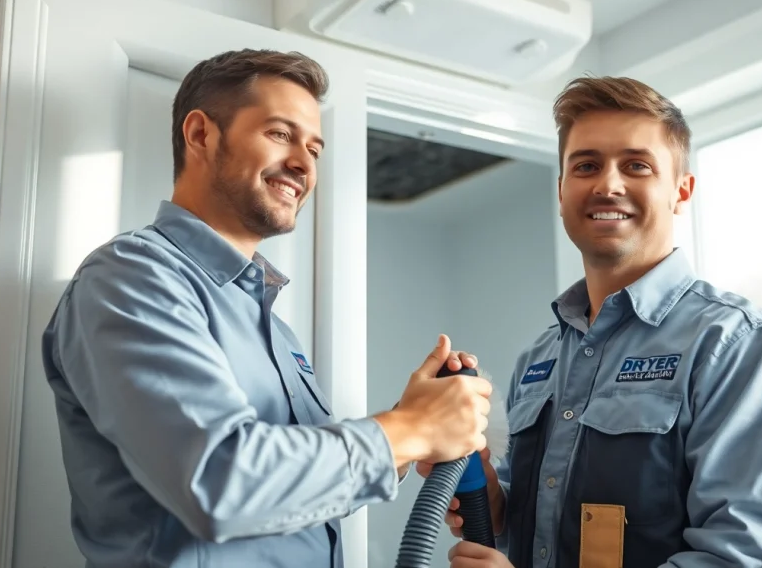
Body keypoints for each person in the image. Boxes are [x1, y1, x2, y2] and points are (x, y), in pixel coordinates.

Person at [40, 48, 493, 568]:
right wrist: (408, 429)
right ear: (201, 134)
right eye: (280, 134)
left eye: (314, 148)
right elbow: (219, 483)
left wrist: (413, 433)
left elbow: (287, 499)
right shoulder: (133, 278)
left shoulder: (272, 327)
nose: (304, 163)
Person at [420, 76, 762, 567]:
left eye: (636, 165)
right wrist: (493, 502)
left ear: (681, 191)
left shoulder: (740, 345)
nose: (608, 185)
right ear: (561, 191)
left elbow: (749, 558)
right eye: (586, 166)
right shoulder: (540, 357)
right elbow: (539, 530)